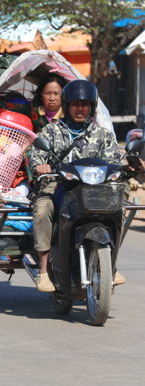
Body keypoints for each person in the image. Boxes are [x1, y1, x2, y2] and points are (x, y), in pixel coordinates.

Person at [29, 79, 145, 292]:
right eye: (75, 104)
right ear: (67, 105)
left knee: (120, 208)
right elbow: (36, 156)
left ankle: (112, 263)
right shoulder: (51, 131)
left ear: (91, 107)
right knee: (43, 209)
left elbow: (114, 161)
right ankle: (44, 271)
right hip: (58, 184)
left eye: (84, 104)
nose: (80, 109)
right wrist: (41, 166)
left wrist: (130, 164)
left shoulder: (103, 134)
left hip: (93, 189)